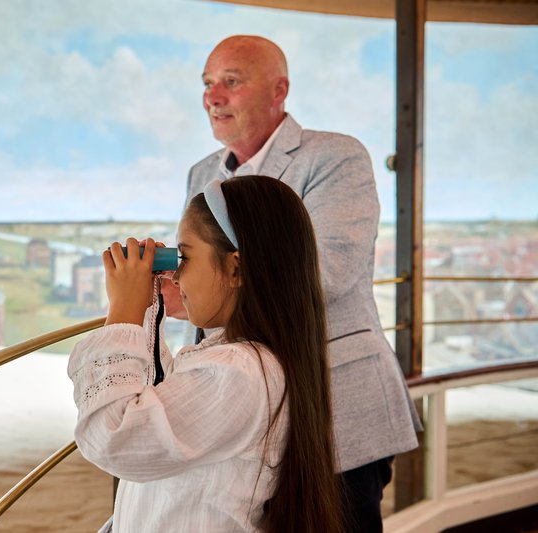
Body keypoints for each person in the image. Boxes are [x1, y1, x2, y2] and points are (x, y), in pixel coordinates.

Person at [169, 34, 421, 533]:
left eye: (231, 82)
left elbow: (326, 271)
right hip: (242, 417)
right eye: (207, 84)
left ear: (279, 90)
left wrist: (201, 290)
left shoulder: (335, 157)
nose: (212, 97)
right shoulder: (203, 173)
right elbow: (206, 281)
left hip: (333, 413)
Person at [68, 176, 344, 533]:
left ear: (235, 268)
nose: (176, 276)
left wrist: (123, 309)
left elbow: (115, 438)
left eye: (184, 257)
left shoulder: (239, 373)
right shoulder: (242, 363)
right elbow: (152, 404)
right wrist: (147, 306)